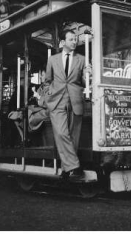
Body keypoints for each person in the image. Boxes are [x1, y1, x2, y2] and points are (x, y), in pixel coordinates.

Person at [45, 29, 91, 180]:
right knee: (61, 133)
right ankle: (74, 167)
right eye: (71, 39)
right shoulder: (52, 59)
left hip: (75, 100)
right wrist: (48, 96)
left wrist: (89, 74)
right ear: (63, 42)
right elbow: (47, 80)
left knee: (73, 136)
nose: (75, 42)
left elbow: (85, 83)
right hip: (56, 101)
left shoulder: (82, 59)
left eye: (75, 39)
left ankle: (66, 169)